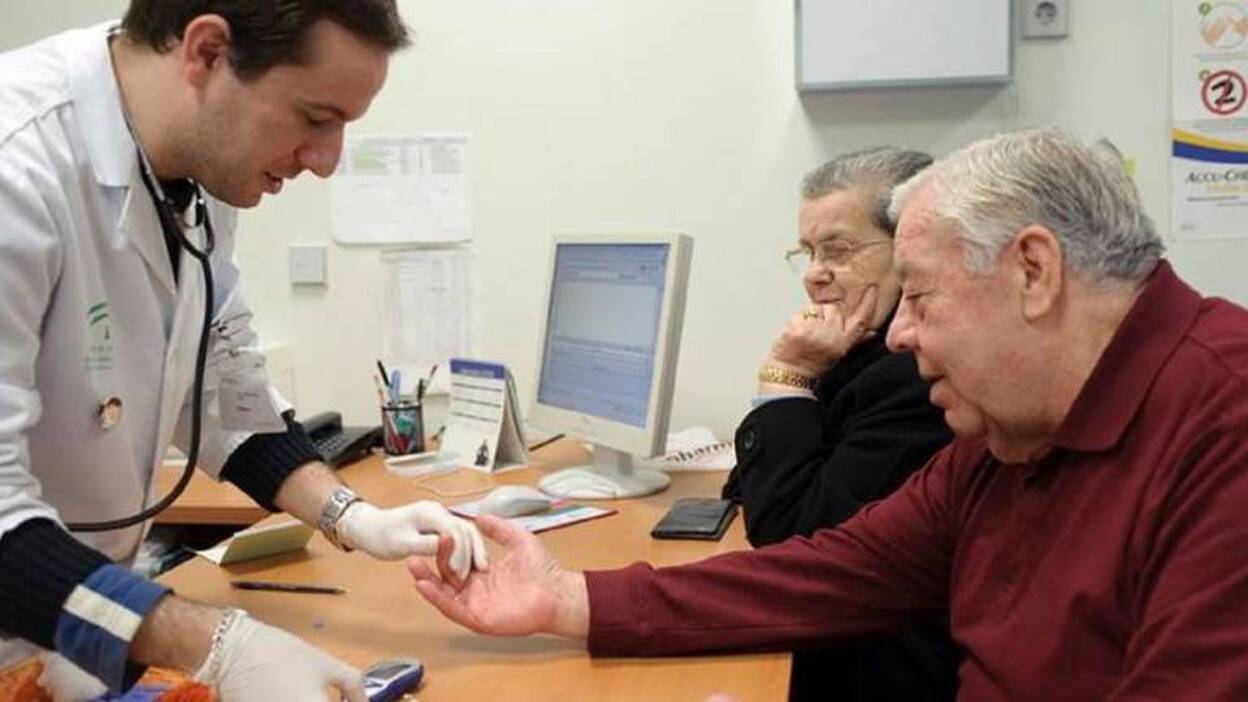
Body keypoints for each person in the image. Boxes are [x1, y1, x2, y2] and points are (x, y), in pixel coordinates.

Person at [410, 128, 1248, 699]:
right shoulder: (1013, 427)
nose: (901, 335)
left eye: (918, 295)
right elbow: (834, 571)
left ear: (1032, 271)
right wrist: (567, 598)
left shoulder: (1224, 425)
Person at [0, 3, 488, 700]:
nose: (326, 162)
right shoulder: (17, 165)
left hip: (66, 635)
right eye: (317, 119)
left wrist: (350, 515)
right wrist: (218, 645)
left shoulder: (196, 171)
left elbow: (222, 385)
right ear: (206, 52)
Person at [721, 148, 955, 700]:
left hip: (887, 673)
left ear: (910, 249)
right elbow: (746, 489)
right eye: (807, 252)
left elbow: (787, 536)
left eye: (838, 251)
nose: (813, 275)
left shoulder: (916, 380)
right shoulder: (855, 355)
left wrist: (789, 373)